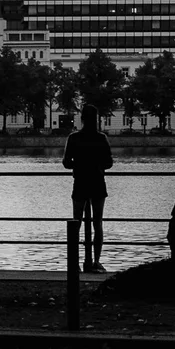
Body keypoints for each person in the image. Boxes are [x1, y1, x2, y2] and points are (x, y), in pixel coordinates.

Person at [63, 109, 112, 271]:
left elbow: (66, 162)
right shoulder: (101, 138)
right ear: (96, 119)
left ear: (82, 119)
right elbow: (109, 163)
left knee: (76, 222)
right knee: (97, 223)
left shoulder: (73, 138)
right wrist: (96, 166)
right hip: (97, 182)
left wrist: (78, 165)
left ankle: (75, 262)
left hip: (80, 182)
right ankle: (95, 261)